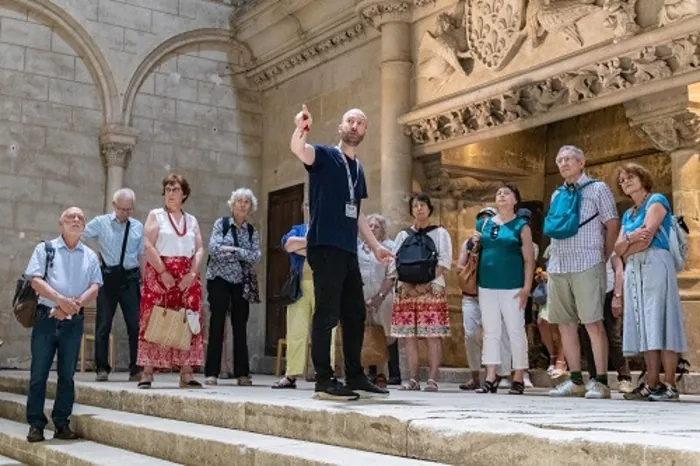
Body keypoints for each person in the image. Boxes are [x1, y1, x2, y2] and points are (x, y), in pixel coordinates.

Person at [290, 104, 393, 401]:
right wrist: (301, 127)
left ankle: (356, 376)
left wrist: (375, 247)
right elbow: (299, 149)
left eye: (360, 123)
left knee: (354, 312)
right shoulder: (323, 155)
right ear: (341, 125)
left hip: (348, 249)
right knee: (326, 312)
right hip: (325, 245)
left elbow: (357, 213)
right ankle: (323, 379)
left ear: (365, 131)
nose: (355, 126)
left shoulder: (358, 169)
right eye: (350, 120)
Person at [546, 145, 620, 399]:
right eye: (559, 160)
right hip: (558, 264)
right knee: (565, 325)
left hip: (587, 261)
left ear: (582, 162)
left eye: (568, 159)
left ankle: (600, 381)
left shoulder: (598, 188)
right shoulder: (557, 194)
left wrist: (604, 255)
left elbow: (612, 223)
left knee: (592, 322)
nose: (563, 164)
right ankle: (575, 379)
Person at [25, 207, 102, 443]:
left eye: (80, 218)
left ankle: (62, 423)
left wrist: (73, 305)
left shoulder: (90, 255)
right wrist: (60, 301)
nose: (76, 220)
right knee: (39, 374)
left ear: (84, 226)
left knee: (67, 376)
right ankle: (36, 425)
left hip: (73, 321)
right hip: (46, 319)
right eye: (71, 217)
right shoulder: (45, 249)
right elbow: (35, 280)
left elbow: (95, 286)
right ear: (61, 223)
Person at [614, 163, 687, 401]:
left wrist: (629, 241)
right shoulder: (628, 213)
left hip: (656, 263)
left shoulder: (656, 200)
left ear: (643, 177)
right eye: (623, 180)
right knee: (645, 325)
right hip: (635, 270)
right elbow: (618, 250)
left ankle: (669, 384)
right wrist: (628, 242)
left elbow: (647, 238)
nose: (626, 182)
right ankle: (651, 382)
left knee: (662, 322)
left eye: (630, 177)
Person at [137, 174, 204, 389]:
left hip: (187, 273)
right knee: (155, 317)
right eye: (167, 189)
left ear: (184, 194)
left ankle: (186, 371)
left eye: (175, 189)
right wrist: (163, 271)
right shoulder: (156, 215)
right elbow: (148, 244)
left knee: (187, 318)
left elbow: (200, 248)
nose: (171, 193)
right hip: (160, 273)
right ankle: (147, 372)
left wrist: (192, 274)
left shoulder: (191, 220)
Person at [472, 185, 535, 395]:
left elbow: (529, 259)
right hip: (486, 285)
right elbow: (475, 251)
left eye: (506, 193)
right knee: (490, 331)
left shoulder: (521, 226)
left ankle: (518, 375)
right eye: (498, 193)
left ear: (516, 199)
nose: (501, 195)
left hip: (513, 286)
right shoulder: (484, 224)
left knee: (515, 329)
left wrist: (527, 287)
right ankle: (490, 375)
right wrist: (474, 242)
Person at [391, 193, 453, 392]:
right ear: (411, 210)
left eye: (423, 205)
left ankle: (433, 378)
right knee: (409, 336)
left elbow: (444, 261)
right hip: (406, 290)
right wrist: (408, 284)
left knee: (432, 335)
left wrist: (426, 283)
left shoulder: (440, 233)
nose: (419, 209)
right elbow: (394, 262)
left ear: (430, 208)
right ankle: (413, 378)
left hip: (432, 288)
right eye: (416, 205)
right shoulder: (402, 235)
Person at [272, 201, 336, 389]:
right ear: (303, 209)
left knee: (326, 331)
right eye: (307, 205)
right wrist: (316, 245)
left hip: (323, 287)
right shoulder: (298, 229)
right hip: (299, 287)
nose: (311, 207)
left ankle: (325, 373)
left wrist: (305, 249)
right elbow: (289, 245)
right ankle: (291, 374)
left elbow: (331, 252)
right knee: (295, 331)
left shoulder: (330, 229)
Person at [83, 188, 144, 382]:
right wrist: (94, 255)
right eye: (122, 209)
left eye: (129, 209)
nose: (125, 213)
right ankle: (101, 368)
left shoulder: (137, 226)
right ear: (114, 206)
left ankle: (135, 368)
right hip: (108, 276)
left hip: (131, 277)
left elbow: (141, 254)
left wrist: (144, 280)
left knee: (135, 325)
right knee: (103, 324)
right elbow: (80, 237)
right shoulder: (101, 223)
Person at [205, 188, 262, 386]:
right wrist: (241, 252)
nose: (243, 204)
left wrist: (231, 250)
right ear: (232, 204)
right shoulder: (221, 224)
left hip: (240, 282)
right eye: (239, 201)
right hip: (219, 278)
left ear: (250, 207)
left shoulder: (253, 231)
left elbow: (255, 256)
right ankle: (211, 372)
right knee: (217, 324)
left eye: (247, 201)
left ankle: (242, 373)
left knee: (240, 326)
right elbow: (213, 249)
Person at [456, 207, 512, 390]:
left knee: (497, 334)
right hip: (472, 296)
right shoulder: (469, 243)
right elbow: (459, 267)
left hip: (494, 296)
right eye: (482, 219)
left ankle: (502, 374)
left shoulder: (501, 242)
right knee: (471, 334)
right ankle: (475, 375)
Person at [578, 255, 633, 394]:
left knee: (614, 337)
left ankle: (624, 378)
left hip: (608, 294)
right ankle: (594, 377)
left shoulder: (610, 245)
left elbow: (619, 270)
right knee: (587, 338)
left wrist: (617, 296)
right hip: (589, 294)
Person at [359, 213, 399, 387]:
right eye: (370, 226)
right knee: (369, 333)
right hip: (363, 295)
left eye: (376, 226)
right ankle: (372, 372)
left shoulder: (389, 246)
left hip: (384, 296)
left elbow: (391, 275)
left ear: (382, 229)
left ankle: (392, 373)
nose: (373, 229)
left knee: (388, 334)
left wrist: (379, 297)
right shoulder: (359, 248)